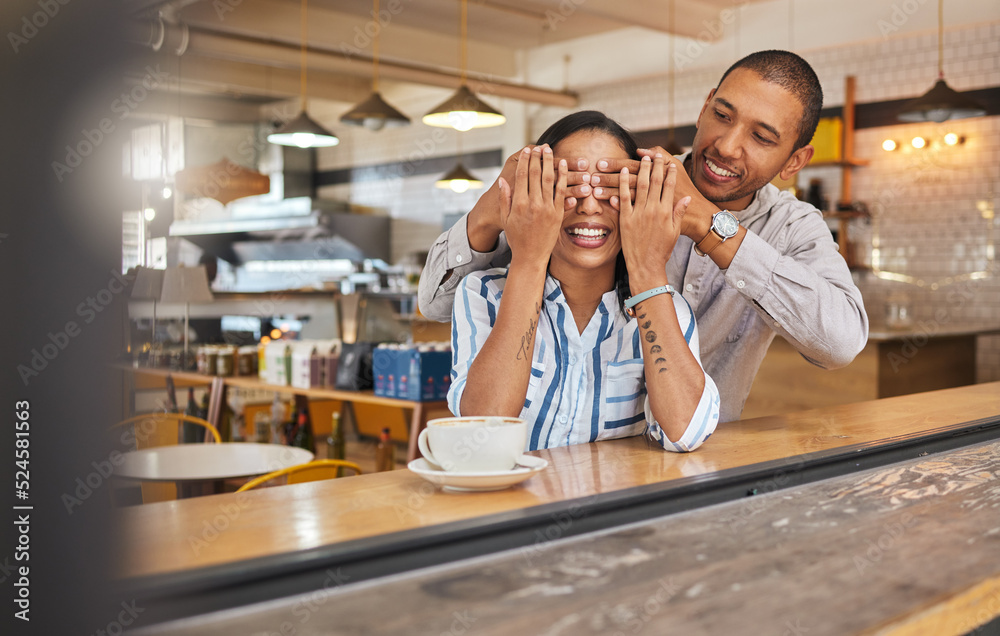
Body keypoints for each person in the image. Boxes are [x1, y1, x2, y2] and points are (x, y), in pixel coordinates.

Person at [421, 50, 868, 423]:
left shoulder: (793, 227)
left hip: (694, 458)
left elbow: (840, 344)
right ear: (705, 105)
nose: (728, 145)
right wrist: (489, 210)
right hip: (569, 447)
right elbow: (435, 303)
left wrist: (708, 225)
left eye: (762, 137)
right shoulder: (621, 179)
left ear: (795, 161)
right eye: (722, 115)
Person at [449, 111, 719, 452]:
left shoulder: (668, 310)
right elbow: (483, 431)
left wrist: (648, 269)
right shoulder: (482, 294)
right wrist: (529, 260)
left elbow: (686, 433)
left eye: (611, 189)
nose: (590, 206)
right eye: (570, 185)